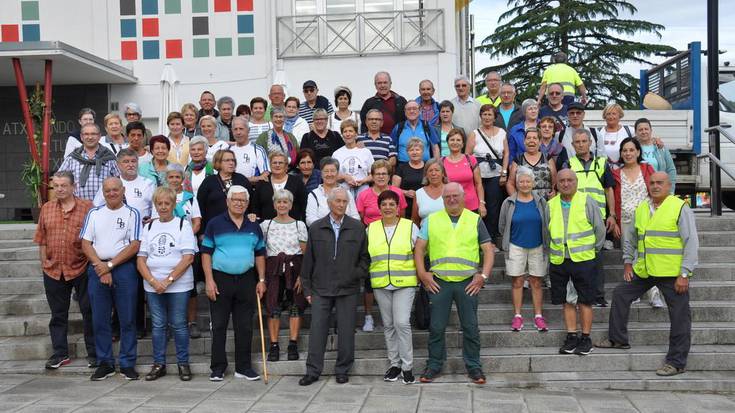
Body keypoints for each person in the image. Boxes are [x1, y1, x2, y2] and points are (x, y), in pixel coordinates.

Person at [596, 172, 698, 377]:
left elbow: (691, 242)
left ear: (669, 186)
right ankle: (618, 339)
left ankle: (677, 362)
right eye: (651, 183)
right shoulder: (642, 208)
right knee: (621, 294)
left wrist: (685, 273)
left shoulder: (679, 208)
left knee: (679, 316)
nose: (655, 186)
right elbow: (631, 239)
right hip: (645, 270)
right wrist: (627, 262)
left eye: (660, 183)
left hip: (671, 273)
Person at [414, 182, 494, 384]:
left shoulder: (474, 219)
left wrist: (483, 276)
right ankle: (434, 365)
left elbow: (488, 250)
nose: (451, 199)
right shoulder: (432, 220)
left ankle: (474, 366)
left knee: (470, 327)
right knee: (437, 327)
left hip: (467, 283)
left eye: (455, 196)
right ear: (443, 199)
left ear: (463, 196)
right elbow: (419, 248)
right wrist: (423, 274)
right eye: (447, 196)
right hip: (439, 283)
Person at [299, 187, 370, 386]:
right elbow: (308, 261)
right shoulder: (316, 228)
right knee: (317, 331)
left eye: (344, 201)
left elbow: (365, 259)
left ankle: (343, 369)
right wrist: (307, 288)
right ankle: (313, 371)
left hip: (348, 288)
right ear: (329, 203)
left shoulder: (357, 227)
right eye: (337, 201)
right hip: (321, 288)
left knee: (347, 331)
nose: (340, 204)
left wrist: (355, 274)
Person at [201, 185, 266, 381]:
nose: (239, 203)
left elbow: (260, 254)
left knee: (245, 325)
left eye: (243, 200)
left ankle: (243, 367)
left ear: (247, 204)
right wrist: (209, 280)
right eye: (235, 200)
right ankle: (218, 367)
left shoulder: (254, 226)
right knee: (219, 324)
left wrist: (261, 279)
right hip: (221, 278)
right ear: (228, 201)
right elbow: (206, 253)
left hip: (246, 279)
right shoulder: (214, 223)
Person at [81, 177, 142, 381]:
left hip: (123, 269)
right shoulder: (94, 213)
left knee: (127, 319)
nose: (112, 193)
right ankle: (105, 363)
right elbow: (86, 243)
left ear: (123, 190)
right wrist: (102, 267)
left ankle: (127, 363)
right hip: (98, 268)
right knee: (99, 319)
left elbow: (134, 245)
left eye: (115, 189)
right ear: (103, 192)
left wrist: (110, 265)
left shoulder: (132, 213)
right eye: (107, 190)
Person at [35, 171, 96, 370]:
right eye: (56, 186)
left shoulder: (87, 207)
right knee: (58, 314)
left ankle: (94, 353)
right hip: (53, 270)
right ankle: (60, 353)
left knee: (89, 312)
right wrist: (44, 261)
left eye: (63, 185)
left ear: (73, 186)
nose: (59, 189)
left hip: (81, 267)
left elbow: (95, 235)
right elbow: (41, 238)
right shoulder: (47, 208)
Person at [136, 186, 196, 381]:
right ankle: (158, 363)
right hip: (153, 285)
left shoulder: (182, 225)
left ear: (173, 204)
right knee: (158, 325)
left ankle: (183, 363)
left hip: (178, 284)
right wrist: (154, 281)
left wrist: (168, 281)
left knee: (179, 324)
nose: (163, 207)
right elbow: (141, 259)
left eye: (167, 203)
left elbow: (188, 258)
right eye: (159, 204)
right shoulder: (149, 227)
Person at [547, 169, 605, 356]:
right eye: (561, 180)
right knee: (566, 301)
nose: (565, 183)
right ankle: (572, 336)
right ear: (557, 183)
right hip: (559, 259)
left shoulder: (587, 201)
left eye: (569, 180)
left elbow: (599, 230)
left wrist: (592, 249)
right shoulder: (550, 204)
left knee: (585, 301)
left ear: (576, 182)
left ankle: (585, 338)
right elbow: (545, 231)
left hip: (583, 259)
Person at [368, 190, 420, 384]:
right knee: (388, 325)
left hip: (405, 282)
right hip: (381, 282)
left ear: (398, 207)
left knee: (401, 323)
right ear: (379, 207)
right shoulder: (370, 228)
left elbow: (420, 252)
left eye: (392, 204)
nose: (388, 207)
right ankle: (394, 364)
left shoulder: (410, 227)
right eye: (384, 204)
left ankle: (407, 366)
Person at [562, 129, 618, 306]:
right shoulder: (568, 163)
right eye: (577, 142)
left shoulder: (602, 163)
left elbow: (609, 189)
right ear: (572, 145)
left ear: (590, 142)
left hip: (598, 218)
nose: (580, 144)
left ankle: (598, 296)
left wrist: (612, 215)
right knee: (576, 260)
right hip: (575, 218)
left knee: (596, 258)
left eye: (583, 141)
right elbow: (562, 188)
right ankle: (577, 296)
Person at [499, 166, 550, 332]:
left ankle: (538, 316)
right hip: (515, 245)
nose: (525, 184)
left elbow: (547, 223)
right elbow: (502, 226)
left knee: (536, 282)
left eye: (528, 181)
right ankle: (518, 316)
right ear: (517, 183)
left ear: (533, 183)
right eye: (522, 181)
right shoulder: (508, 202)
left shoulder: (541, 202)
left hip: (538, 245)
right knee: (518, 281)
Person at [260, 189, 309, 362]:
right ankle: (274, 345)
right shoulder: (266, 225)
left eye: (285, 202)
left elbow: (305, 253)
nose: (282, 205)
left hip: (295, 267)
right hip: (273, 269)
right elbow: (261, 251)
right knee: (273, 307)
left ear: (290, 204)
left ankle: (292, 344)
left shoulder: (299, 225)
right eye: (279, 202)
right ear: (274, 204)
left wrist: (302, 276)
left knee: (296, 306)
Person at [611, 138, 659, 307]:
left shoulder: (646, 169)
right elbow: (613, 198)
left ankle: (654, 294)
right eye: (625, 150)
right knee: (630, 258)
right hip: (625, 220)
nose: (628, 153)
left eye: (631, 150)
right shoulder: (616, 173)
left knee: (648, 255)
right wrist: (615, 221)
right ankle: (634, 291)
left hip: (647, 219)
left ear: (638, 152)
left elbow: (656, 191)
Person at [160, 164, 203, 337]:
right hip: (167, 251)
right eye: (171, 177)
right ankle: (171, 323)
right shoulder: (161, 197)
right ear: (166, 178)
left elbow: (197, 222)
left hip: (187, 250)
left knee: (190, 289)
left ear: (183, 179)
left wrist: (182, 239)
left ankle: (191, 322)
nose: (174, 180)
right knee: (168, 286)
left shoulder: (190, 198)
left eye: (177, 177)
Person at [466, 105, 509, 244]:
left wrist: (504, 172)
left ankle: (490, 239)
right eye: (484, 114)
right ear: (480, 116)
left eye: (490, 114)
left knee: (493, 207)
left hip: (496, 174)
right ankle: (476, 238)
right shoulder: (474, 133)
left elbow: (506, 153)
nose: (487, 117)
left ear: (495, 117)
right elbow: (467, 155)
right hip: (478, 175)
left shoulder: (502, 132)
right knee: (477, 206)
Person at [197, 149, 253, 237]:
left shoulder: (242, 180)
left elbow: (252, 203)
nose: (231, 163)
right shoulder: (209, 181)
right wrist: (202, 232)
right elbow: (200, 208)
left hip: (240, 229)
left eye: (233, 160)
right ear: (218, 162)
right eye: (227, 160)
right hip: (215, 230)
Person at [58, 123, 120, 200]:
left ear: (99, 136)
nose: (90, 137)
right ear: (81, 137)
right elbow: (59, 179)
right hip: (77, 207)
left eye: (93, 134)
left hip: (104, 207)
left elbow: (118, 182)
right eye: (86, 134)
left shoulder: (109, 157)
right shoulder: (72, 158)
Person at [93, 148, 155, 223]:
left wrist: (152, 219)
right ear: (118, 164)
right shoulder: (110, 184)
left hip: (142, 231)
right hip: (115, 228)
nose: (131, 165)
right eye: (126, 162)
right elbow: (96, 207)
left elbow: (156, 209)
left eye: (133, 161)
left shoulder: (148, 184)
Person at [253, 152, 307, 221]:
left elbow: (303, 205)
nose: (277, 165)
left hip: (292, 227)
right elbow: (255, 207)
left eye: (280, 163)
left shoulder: (297, 182)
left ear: (286, 166)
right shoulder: (262, 183)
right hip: (266, 226)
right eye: (274, 163)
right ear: (270, 165)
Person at [305, 157, 359, 226]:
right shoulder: (314, 194)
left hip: (345, 232)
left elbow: (355, 217)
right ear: (321, 174)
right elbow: (310, 220)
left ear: (338, 173)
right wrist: (331, 226)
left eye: (333, 171)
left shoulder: (346, 193)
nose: (329, 174)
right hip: (323, 233)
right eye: (326, 171)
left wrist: (342, 227)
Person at [507, 128, 557, 200]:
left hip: (546, 203)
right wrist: (517, 199)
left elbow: (555, 182)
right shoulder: (518, 159)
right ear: (524, 141)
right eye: (528, 138)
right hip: (524, 202)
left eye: (535, 138)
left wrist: (554, 193)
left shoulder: (547, 158)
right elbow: (510, 184)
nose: (531, 140)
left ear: (540, 142)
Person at [443, 129, 484, 217]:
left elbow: (479, 184)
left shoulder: (471, 159)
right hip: (450, 206)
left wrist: (482, 203)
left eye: (458, 140)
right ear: (447, 142)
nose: (455, 142)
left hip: (471, 205)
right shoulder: (441, 162)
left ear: (462, 144)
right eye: (452, 140)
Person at [555, 102, 604, 168]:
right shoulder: (559, 135)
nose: (575, 115)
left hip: (592, 174)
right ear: (567, 115)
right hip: (569, 173)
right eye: (572, 113)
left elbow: (602, 156)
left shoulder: (595, 133)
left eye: (578, 113)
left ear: (583, 114)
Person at [333, 119, 374, 198]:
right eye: (345, 131)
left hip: (363, 189)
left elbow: (374, 174)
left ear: (356, 134)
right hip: (344, 190)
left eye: (351, 131)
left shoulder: (366, 152)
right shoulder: (336, 153)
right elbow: (333, 176)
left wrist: (363, 180)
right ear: (342, 134)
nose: (348, 134)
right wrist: (345, 177)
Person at [635, 118, 677, 192]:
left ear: (651, 130)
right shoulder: (633, 149)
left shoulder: (660, 147)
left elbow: (671, 170)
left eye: (646, 129)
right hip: (640, 190)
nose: (644, 132)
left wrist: (671, 191)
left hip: (658, 189)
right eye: (640, 130)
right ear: (636, 132)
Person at [230, 116, 270, 185]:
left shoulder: (258, 150)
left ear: (248, 130)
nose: (238, 132)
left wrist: (243, 180)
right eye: (235, 129)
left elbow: (265, 175)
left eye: (241, 129)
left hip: (252, 190)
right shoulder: (228, 150)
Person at [392, 138, 425, 218]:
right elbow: (393, 188)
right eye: (411, 150)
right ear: (407, 152)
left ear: (423, 151)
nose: (414, 152)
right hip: (406, 205)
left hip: (424, 204)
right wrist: (405, 192)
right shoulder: (401, 168)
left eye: (417, 150)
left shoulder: (428, 167)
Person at [411, 159, 447, 226]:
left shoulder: (450, 190)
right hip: (425, 235)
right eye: (430, 171)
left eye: (437, 170)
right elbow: (415, 220)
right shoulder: (419, 193)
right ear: (426, 175)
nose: (433, 173)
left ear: (443, 173)